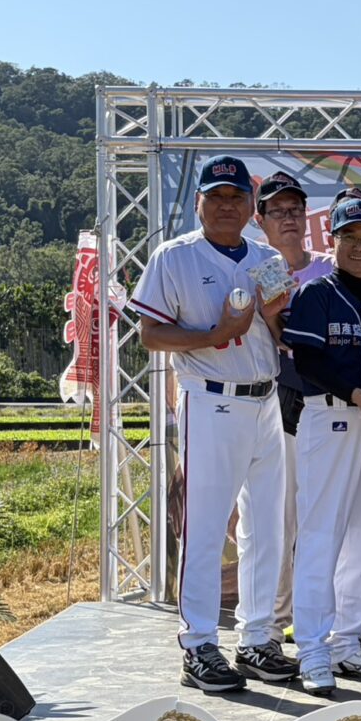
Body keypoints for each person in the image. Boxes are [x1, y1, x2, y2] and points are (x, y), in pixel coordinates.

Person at [130, 155, 292, 692]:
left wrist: (276, 317)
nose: (226, 205)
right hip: (212, 398)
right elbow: (151, 336)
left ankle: (257, 638)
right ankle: (199, 643)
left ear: (251, 206)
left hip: (266, 399)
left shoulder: (267, 256)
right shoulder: (173, 257)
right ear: (199, 202)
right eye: (216, 196)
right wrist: (217, 333)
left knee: (266, 529)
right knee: (204, 527)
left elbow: (280, 325)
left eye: (236, 197)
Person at [281, 195, 361, 696]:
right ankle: (311, 648)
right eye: (348, 236)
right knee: (320, 535)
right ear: (332, 240)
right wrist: (355, 392)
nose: (358, 245)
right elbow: (305, 362)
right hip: (329, 415)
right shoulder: (316, 294)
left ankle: (346, 641)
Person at [252, 171, 330, 665]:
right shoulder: (258, 267)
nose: (288, 219)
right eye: (277, 211)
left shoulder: (329, 270)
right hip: (275, 401)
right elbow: (277, 333)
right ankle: (274, 624)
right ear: (260, 220)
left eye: (295, 210)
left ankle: (317, 622)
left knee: (322, 519)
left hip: (328, 402)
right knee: (279, 521)